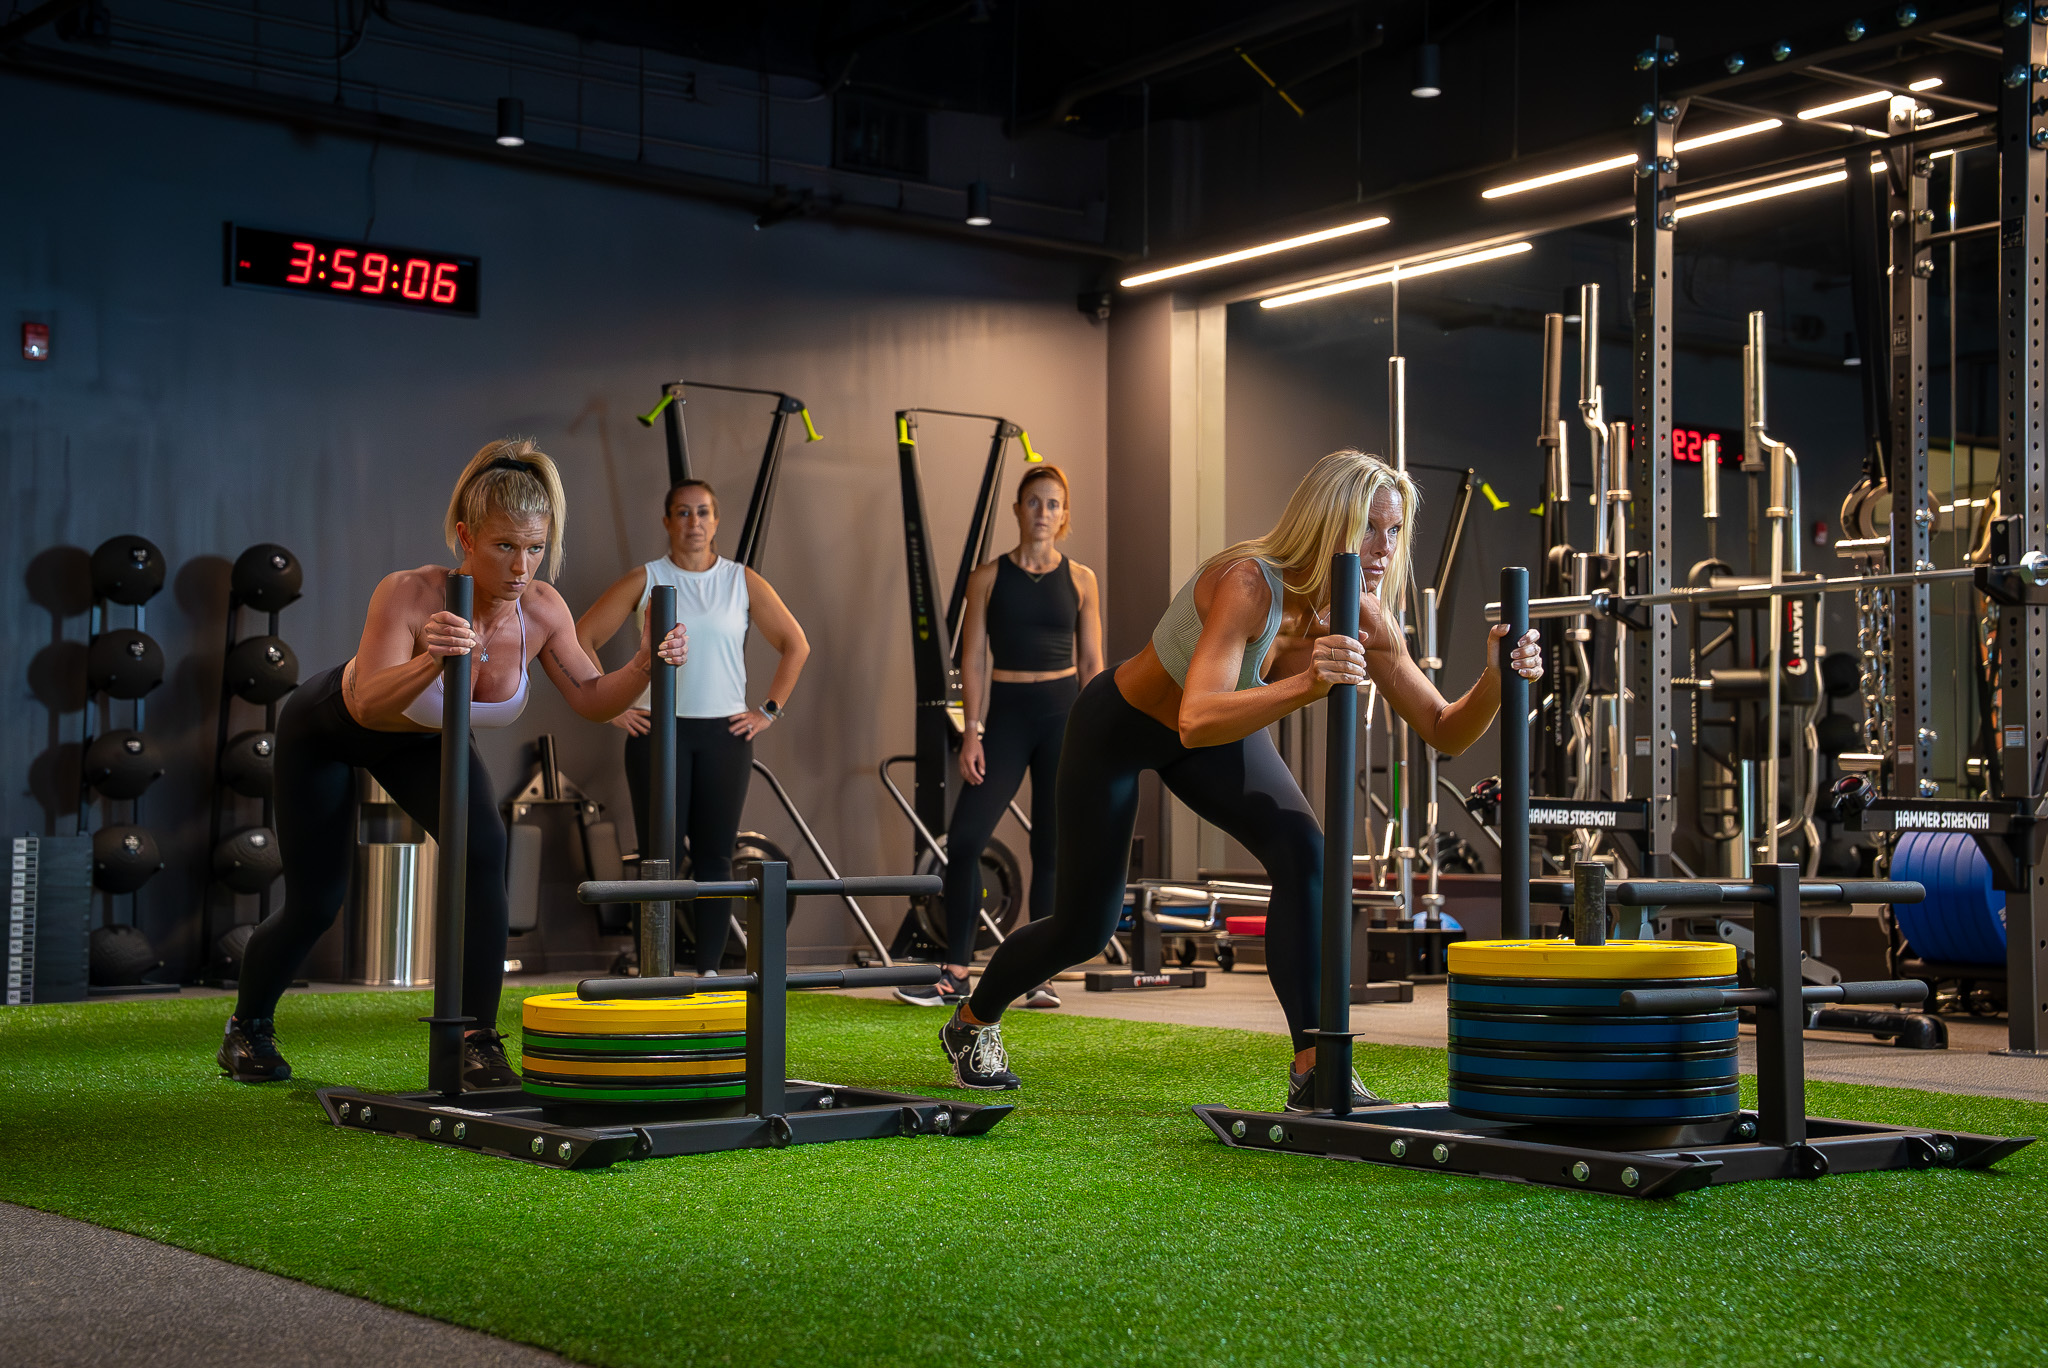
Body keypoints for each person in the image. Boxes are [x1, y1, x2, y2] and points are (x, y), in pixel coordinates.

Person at [936, 449, 1544, 1106]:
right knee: (1087, 926)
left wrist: (1498, 677)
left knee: (1305, 853)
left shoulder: (1365, 615)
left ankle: (1313, 1068)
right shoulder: (1249, 582)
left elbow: (1445, 728)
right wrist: (1312, 682)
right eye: (1370, 527)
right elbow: (1195, 716)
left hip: (1214, 734)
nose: (1383, 548)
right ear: (1329, 522)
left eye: (1395, 532)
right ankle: (972, 1022)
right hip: (1121, 727)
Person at [219, 439, 687, 1086]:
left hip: (426, 740)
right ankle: (248, 1026)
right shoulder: (410, 594)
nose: (522, 565)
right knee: (317, 902)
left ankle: (476, 1037)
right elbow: (365, 702)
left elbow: (591, 698)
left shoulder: (544, 610)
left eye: (535, 548)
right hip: (331, 729)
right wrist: (428, 662)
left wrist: (643, 662)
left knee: (484, 850)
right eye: (504, 546)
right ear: (466, 537)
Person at [576, 478, 810, 973]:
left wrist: (768, 710)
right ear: (667, 522)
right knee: (657, 857)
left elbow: (796, 644)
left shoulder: (740, 580)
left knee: (715, 858)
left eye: (703, 513)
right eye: (683, 513)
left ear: (716, 521)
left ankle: (707, 967)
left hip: (724, 736)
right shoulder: (647, 578)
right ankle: (651, 967)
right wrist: (609, 705)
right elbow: (580, 637)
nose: (694, 523)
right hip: (657, 733)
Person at [894, 464, 1103, 1009]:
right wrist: (971, 734)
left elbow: (1091, 664)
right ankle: (956, 970)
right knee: (964, 841)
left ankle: (1040, 974)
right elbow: (974, 662)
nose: (1043, 513)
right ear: (1017, 510)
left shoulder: (1082, 580)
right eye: (1033, 503)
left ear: (1064, 515)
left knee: (1050, 848)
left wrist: (1094, 738)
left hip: (1062, 715)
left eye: (1053, 504)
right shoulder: (987, 577)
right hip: (1006, 715)